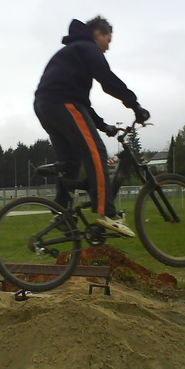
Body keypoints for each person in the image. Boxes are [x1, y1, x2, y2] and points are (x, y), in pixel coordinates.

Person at [34, 16, 150, 237]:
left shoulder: (71, 54)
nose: (108, 46)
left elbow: (83, 105)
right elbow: (108, 81)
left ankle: (62, 214)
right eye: (108, 39)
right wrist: (135, 105)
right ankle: (107, 213)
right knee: (96, 152)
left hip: (46, 105)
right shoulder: (87, 47)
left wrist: (103, 126)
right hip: (63, 103)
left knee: (71, 162)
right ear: (98, 33)